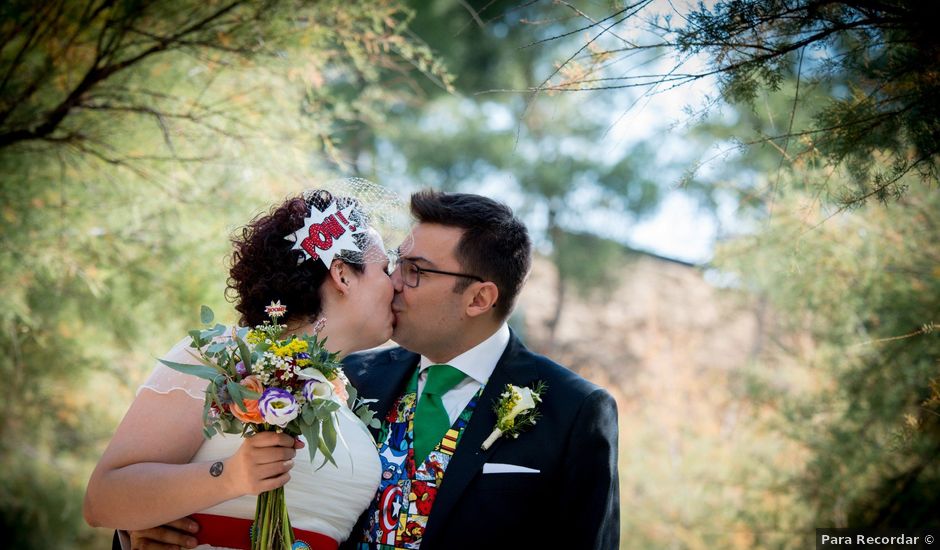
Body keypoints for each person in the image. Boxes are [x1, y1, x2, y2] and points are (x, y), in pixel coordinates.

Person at [125, 190, 620, 550]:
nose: (395, 283)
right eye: (397, 263)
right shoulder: (344, 379)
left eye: (416, 271)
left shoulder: (574, 410)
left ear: (479, 298)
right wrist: (154, 524)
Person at [84, 185, 405, 550]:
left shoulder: (342, 394)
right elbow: (102, 499)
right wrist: (228, 478)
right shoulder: (219, 355)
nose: (396, 283)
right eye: (385, 268)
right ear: (343, 274)